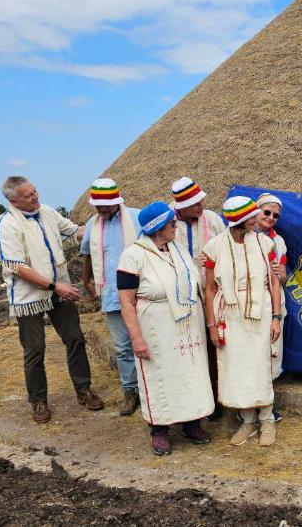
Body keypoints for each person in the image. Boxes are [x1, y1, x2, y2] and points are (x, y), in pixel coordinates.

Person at [0, 176, 102, 424]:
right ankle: (38, 401)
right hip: (29, 296)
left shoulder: (48, 212)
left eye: (35, 191)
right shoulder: (6, 224)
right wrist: (55, 287)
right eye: (29, 195)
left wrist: (102, 225)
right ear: (13, 200)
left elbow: (75, 232)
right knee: (35, 349)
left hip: (59, 287)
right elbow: (17, 267)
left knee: (75, 338)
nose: (36, 197)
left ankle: (83, 389)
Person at [117, 202, 214, 456]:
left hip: (188, 323)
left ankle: (192, 423)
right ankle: (159, 429)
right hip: (156, 325)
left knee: (190, 373)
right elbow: (126, 301)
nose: (176, 226)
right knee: (160, 376)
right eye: (172, 223)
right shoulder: (133, 255)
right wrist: (136, 338)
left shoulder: (178, 248)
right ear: (158, 227)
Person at [203, 197, 282, 447]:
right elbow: (209, 289)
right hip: (230, 315)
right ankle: (247, 421)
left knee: (261, 364)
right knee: (238, 366)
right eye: (251, 216)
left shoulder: (265, 243)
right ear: (240, 219)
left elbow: (274, 283)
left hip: (261, 312)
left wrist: (276, 317)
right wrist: (211, 326)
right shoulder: (214, 247)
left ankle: (267, 420)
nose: (257, 219)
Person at [80, 178, 142, 416]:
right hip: (111, 294)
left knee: (146, 341)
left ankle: (151, 389)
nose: (101, 210)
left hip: (140, 293)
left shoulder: (136, 218)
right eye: (98, 206)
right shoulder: (93, 224)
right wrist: (86, 278)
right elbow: (87, 252)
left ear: (117, 201)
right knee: (123, 346)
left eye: (105, 205)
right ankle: (130, 391)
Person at [170, 176, 226, 417]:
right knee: (189, 347)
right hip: (182, 296)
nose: (201, 206)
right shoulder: (169, 223)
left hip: (211, 291)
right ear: (181, 208)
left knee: (213, 345)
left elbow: (226, 247)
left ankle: (215, 396)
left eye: (201, 202)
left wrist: (214, 258)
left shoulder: (212, 220)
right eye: (195, 204)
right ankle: (192, 398)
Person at [255, 193, 288, 385]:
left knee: (272, 350)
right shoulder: (240, 235)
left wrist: (278, 272)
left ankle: (268, 393)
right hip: (250, 300)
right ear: (257, 211)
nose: (271, 218)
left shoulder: (279, 241)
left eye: (276, 215)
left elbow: (283, 278)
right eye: (267, 212)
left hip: (274, 302)